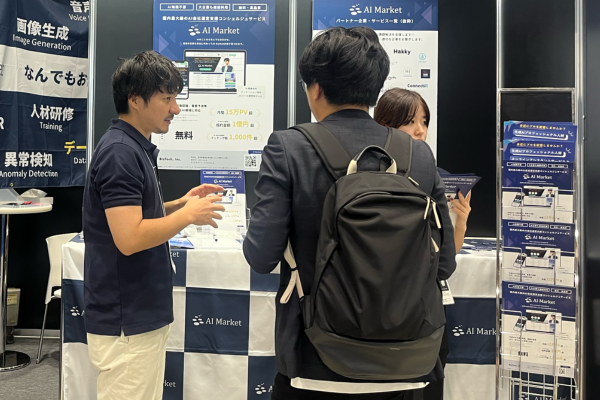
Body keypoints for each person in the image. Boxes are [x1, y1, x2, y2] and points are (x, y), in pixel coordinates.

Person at [243, 27, 455, 400]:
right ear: (375, 87)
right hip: (407, 362)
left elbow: (261, 257)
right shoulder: (418, 155)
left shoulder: (288, 148)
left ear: (315, 88)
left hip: (315, 359)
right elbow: (445, 264)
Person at [82, 50, 225, 400]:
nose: (175, 109)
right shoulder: (120, 153)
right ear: (135, 99)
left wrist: (178, 204)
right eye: (167, 99)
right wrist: (187, 216)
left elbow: (133, 215)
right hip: (127, 317)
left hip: (138, 312)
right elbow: (129, 238)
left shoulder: (132, 147)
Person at [374, 88, 472, 253]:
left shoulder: (435, 176)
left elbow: (448, 253)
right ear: (385, 126)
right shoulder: (368, 172)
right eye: (410, 122)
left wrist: (460, 222)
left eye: (424, 122)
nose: (420, 130)